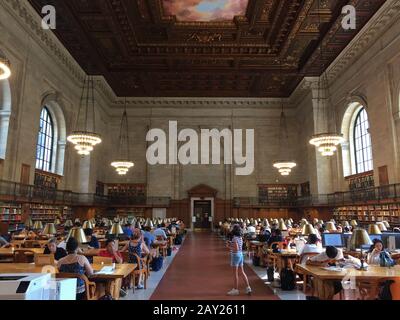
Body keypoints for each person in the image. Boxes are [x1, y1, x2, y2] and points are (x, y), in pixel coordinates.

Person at [226, 224, 251, 296]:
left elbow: (235, 249)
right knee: (242, 272)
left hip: (235, 255)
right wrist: (231, 244)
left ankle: (235, 289)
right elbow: (238, 246)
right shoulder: (240, 237)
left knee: (235, 274)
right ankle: (248, 287)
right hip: (240, 255)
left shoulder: (234, 238)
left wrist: (229, 246)